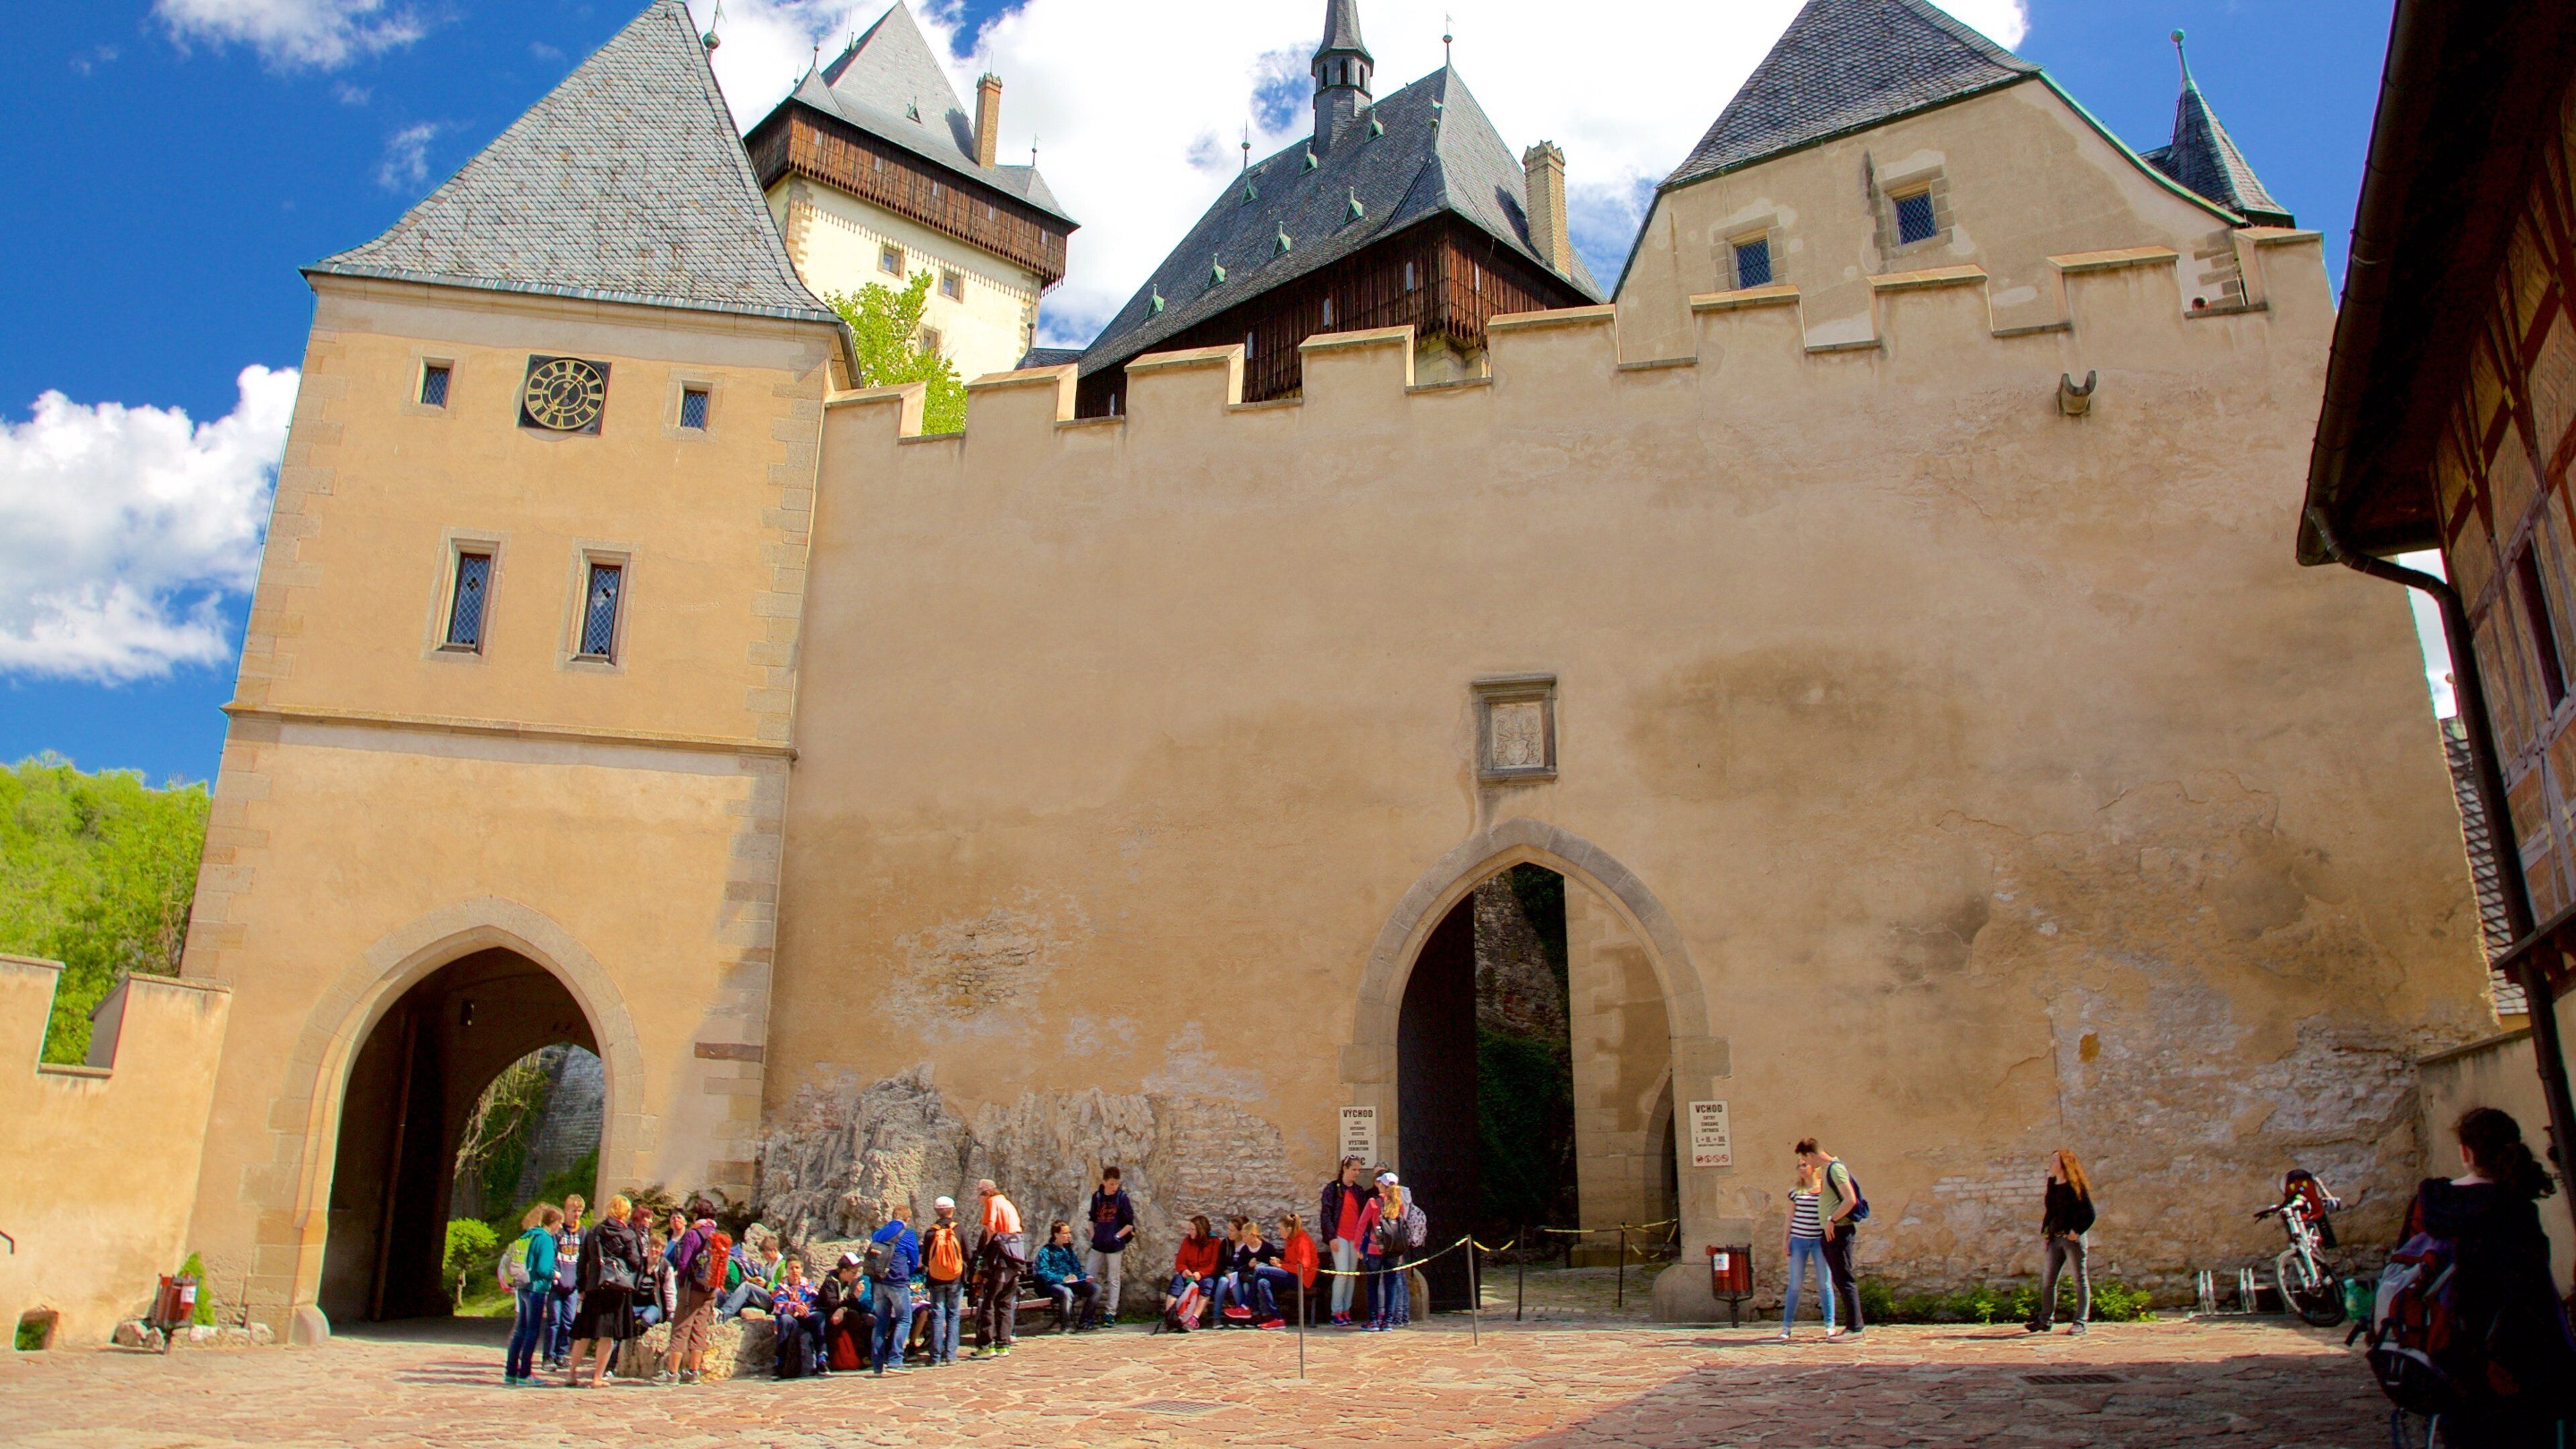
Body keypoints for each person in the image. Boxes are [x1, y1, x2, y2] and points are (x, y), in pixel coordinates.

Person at [2399, 1107, 2576, 1446]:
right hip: (2511, 1360)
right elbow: (2530, 1295)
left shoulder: (2430, 1203)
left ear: (2466, 1152)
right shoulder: (2515, 1210)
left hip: (2444, 1352)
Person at [565, 1194, 645, 1389]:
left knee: (584, 1333)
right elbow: (636, 1262)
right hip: (616, 1289)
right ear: (625, 1213)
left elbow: (582, 1261)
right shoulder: (628, 1235)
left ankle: (571, 1374)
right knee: (607, 1335)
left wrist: (582, 1287)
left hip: (594, 1287)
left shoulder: (595, 1232)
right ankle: (597, 1377)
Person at [1797, 1138, 1864, 1339]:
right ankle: (1853, 1326)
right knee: (1840, 1278)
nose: (1807, 1164)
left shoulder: (1835, 1169)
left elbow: (1850, 1199)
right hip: (1831, 1231)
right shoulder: (1827, 1170)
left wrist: (1832, 1219)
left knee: (1845, 1279)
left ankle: (1856, 1328)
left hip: (1839, 1231)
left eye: (1805, 1159)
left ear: (1811, 1155)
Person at [2026, 1149, 2096, 1336]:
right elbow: (2051, 1211)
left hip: (2072, 1239)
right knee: (2049, 1281)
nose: (2051, 1164)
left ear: (2064, 1164)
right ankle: (2045, 1320)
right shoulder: (2053, 1184)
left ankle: (2081, 1322)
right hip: (2055, 1238)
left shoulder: (2075, 1186)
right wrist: (2046, 1230)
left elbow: (2090, 1214)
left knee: (2079, 1280)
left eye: (2054, 1161)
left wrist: (2076, 1231)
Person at [662, 1199, 727, 1385]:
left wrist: (681, 1280)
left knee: (681, 1327)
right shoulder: (715, 1233)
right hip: (710, 1289)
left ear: (696, 1215)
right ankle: (694, 1371)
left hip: (691, 1288)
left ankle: (672, 1373)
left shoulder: (693, 1234)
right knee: (700, 1328)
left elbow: (683, 1263)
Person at [1769, 1161, 1832, 1342]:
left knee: (1825, 1283)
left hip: (1820, 1241)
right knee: (1795, 1284)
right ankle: (1786, 1327)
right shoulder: (1795, 1191)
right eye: (1799, 1166)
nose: (1801, 1169)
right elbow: (1790, 1217)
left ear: (1814, 1167)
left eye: (1805, 1165)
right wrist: (1785, 1240)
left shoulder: (1824, 1190)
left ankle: (1829, 1326)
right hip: (1799, 1240)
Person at [503, 1204, 561, 1387]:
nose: (560, 1227)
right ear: (552, 1223)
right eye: (559, 1223)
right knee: (532, 1332)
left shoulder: (529, 1234)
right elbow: (544, 1268)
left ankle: (511, 1372)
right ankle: (525, 1374)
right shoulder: (545, 1239)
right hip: (536, 1289)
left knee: (520, 1330)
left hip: (523, 1287)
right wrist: (555, 1275)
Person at [1319, 1157, 1379, 1326]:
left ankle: (1346, 1310)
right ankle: (1336, 1311)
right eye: (1354, 1169)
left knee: (1352, 1274)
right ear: (1345, 1169)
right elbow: (1326, 1214)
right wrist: (1331, 1237)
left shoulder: (1358, 1191)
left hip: (1355, 1238)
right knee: (1342, 1273)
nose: (1357, 1173)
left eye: (1359, 1170)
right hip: (1340, 1236)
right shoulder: (1332, 1189)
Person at [971, 1179, 1028, 1358]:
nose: (980, 1201)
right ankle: (1003, 1345)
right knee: (1004, 1303)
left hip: (1000, 1261)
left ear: (986, 1193)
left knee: (989, 1302)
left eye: (980, 1196)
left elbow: (991, 1228)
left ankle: (986, 1346)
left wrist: (985, 1253)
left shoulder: (992, 1202)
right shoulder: (1008, 1203)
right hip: (1015, 1260)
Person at [869, 1205, 920, 1374]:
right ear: (907, 1219)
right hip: (897, 1281)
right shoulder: (908, 1234)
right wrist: (909, 1273)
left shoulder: (878, 1233)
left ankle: (877, 1364)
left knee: (881, 1321)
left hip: (878, 1281)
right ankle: (895, 1361)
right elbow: (914, 1258)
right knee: (904, 1319)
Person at [919, 1195, 968, 1365]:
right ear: (952, 1210)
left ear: (936, 1211)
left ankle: (935, 1357)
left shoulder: (931, 1232)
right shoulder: (959, 1230)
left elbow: (925, 1260)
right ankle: (950, 1356)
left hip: (936, 1279)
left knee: (938, 1316)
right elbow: (967, 1254)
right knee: (954, 1315)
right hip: (955, 1278)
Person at [1086, 1166, 1137, 1325]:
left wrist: (1116, 1236)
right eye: (1112, 1184)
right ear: (1104, 1182)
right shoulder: (1098, 1197)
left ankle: (1110, 1312)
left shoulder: (1122, 1198)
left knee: (1113, 1279)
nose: (1114, 1187)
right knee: (1089, 1276)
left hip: (1114, 1245)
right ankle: (1088, 1311)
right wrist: (1093, 1235)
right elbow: (1091, 1218)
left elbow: (1129, 1224)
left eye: (1117, 1184)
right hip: (1098, 1243)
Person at [1366, 1173, 1417, 1331]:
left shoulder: (1373, 1202)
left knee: (1372, 1285)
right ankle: (1388, 1321)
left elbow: (1362, 1225)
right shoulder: (1399, 1204)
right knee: (1391, 1285)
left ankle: (1374, 1321)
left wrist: (1358, 1248)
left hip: (1375, 1248)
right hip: (1394, 1251)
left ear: (1381, 1185)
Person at [1032, 1220, 1102, 1332]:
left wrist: (1084, 1277)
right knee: (1066, 1292)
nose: (1068, 1236)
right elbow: (1043, 1272)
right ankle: (1065, 1326)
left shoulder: (1068, 1251)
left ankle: (1085, 1321)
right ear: (1056, 1235)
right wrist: (1062, 1279)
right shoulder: (1046, 1251)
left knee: (1096, 1289)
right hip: (1053, 1285)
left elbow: (1076, 1269)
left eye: (1069, 1233)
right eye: (1065, 1233)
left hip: (1072, 1284)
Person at [546, 1192, 586, 1369]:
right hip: (557, 1282)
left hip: (573, 1283)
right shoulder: (558, 1231)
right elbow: (552, 1253)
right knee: (554, 1320)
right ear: (566, 1210)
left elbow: (585, 1257)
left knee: (568, 1320)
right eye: (573, 1210)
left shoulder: (582, 1232)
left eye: (579, 1211)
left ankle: (561, 1353)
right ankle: (549, 1355)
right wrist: (554, 1273)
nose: (576, 1214)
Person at [1163, 1214, 1223, 1327]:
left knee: (1208, 1284)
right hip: (1189, 1274)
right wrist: (1184, 1270)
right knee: (1177, 1281)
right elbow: (1180, 1262)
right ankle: (1170, 1316)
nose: (1190, 1232)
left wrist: (1201, 1273)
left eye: (1192, 1229)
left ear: (1200, 1231)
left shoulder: (1214, 1242)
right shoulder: (1187, 1241)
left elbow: (1214, 1264)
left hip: (1205, 1275)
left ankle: (1194, 1318)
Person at [817, 1251, 869, 1374]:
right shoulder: (830, 1282)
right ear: (844, 1271)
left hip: (842, 1313)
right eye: (854, 1272)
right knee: (837, 1322)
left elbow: (850, 1306)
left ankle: (862, 1355)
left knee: (859, 1318)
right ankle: (831, 1359)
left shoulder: (849, 1283)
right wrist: (852, 1298)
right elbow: (832, 1305)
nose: (856, 1275)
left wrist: (847, 1305)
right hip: (826, 1315)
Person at [1269, 1213, 1319, 1326]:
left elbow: (1302, 1268)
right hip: (1291, 1275)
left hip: (1302, 1280)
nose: (1279, 1232)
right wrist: (1280, 1262)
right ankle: (1276, 1318)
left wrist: (1281, 1266)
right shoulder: (1290, 1241)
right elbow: (1289, 1262)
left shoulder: (1302, 1241)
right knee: (1263, 1283)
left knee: (1262, 1270)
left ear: (1289, 1229)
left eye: (1280, 1229)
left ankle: (1246, 1307)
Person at [720, 1236, 783, 1320]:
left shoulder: (782, 1266)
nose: (764, 1257)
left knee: (746, 1287)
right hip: (763, 1296)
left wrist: (766, 1284)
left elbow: (783, 1289)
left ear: (774, 1250)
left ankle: (724, 1315)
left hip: (773, 1300)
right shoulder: (768, 1265)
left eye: (766, 1254)